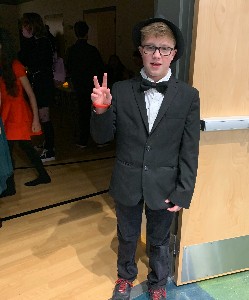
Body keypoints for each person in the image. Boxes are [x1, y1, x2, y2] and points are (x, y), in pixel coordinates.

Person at [90, 18, 200, 300]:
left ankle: (158, 283)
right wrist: (101, 110)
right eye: (150, 47)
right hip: (127, 179)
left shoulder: (188, 96)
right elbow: (102, 138)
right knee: (126, 235)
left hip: (164, 183)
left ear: (174, 54)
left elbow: (190, 147)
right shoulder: (122, 90)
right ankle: (125, 277)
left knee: (160, 240)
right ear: (140, 50)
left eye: (164, 49)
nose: (156, 55)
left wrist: (183, 190)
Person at [0, 28, 51, 192]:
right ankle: (40, 176)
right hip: (8, 113)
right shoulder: (3, 65)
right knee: (20, 149)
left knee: (10, 150)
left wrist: (36, 119)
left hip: (19, 114)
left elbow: (31, 94)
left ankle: (10, 186)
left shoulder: (16, 65)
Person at [19, 13, 56, 162]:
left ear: (31, 26)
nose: (23, 29)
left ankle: (50, 150)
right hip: (40, 82)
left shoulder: (43, 42)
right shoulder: (38, 42)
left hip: (43, 84)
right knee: (41, 116)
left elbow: (28, 59)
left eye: (25, 26)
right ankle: (46, 144)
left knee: (44, 117)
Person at [66, 21, 105, 148]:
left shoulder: (71, 50)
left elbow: (69, 68)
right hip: (93, 86)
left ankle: (83, 139)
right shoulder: (92, 50)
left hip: (79, 85)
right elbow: (100, 68)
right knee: (97, 113)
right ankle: (99, 139)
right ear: (87, 33)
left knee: (83, 113)